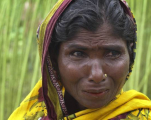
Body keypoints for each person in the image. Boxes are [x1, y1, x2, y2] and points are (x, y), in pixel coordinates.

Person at [9, 0, 151, 119]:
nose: (97, 75)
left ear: (130, 54)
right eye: (78, 54)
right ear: (53, 59)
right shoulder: (34, 114)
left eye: (113, 53)